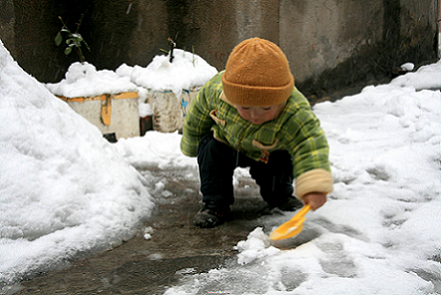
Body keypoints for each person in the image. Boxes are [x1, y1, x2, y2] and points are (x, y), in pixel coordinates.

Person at [180, 37, 333, 228]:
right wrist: (192, 143)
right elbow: (197, 115)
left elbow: (310, 144)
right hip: (227, 143)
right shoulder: (216, 90)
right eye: (245, 107)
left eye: (266, 108)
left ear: (282, 99)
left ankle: (279, 196)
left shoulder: (295, 109)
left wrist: (315, 185)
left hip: (269, 151)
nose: (254, 115)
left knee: (281, 162)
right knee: (210, 148)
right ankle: (216, 203)